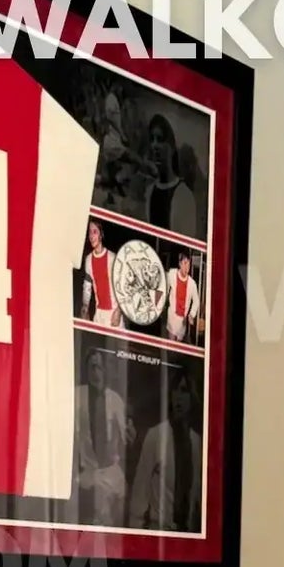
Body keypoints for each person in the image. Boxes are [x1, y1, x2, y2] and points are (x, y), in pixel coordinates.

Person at [127, 366, 200, 531]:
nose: (179, 398)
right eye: (175, 391)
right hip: (159, 531)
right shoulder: (156, 436)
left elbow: (197, 497)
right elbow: (139, 492)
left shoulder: (196, 442)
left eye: (184, 391)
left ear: (192, 397)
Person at [73, 347, 128, 526]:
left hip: (112, 477)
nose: (95, 372)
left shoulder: (115, 400)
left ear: (105, 371)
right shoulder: (77, 396)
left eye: (99, 367)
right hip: (87, 478)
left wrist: (130, 433)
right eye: (92, 367)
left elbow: (126, 437)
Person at [144, 112, 198, 238]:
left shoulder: (184, 195)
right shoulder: (149, 192)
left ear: (172, 146)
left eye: (160, 139)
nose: (155, 145)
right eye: (152, 139)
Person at [80, 219, 120, 327]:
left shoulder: (113, 258)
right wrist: (85, 308)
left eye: (95, 232)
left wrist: (119, 311)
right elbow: (87, 287)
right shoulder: (88, 260)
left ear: (101, 235)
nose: (91, 236)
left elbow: (123, 287)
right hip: (98, 316)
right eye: (89, 232)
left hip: (114, 315)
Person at [165, 250, 200, 343]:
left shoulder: (192, 284)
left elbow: (196, 301)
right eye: (184, 264)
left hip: (183, 321)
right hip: (172, 316)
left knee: (178, 344)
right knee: (171, 342)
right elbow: (164, 287)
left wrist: (192, 314)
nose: (186, 267)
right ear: (180, 264)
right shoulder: (172, 274)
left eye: (188, 265)